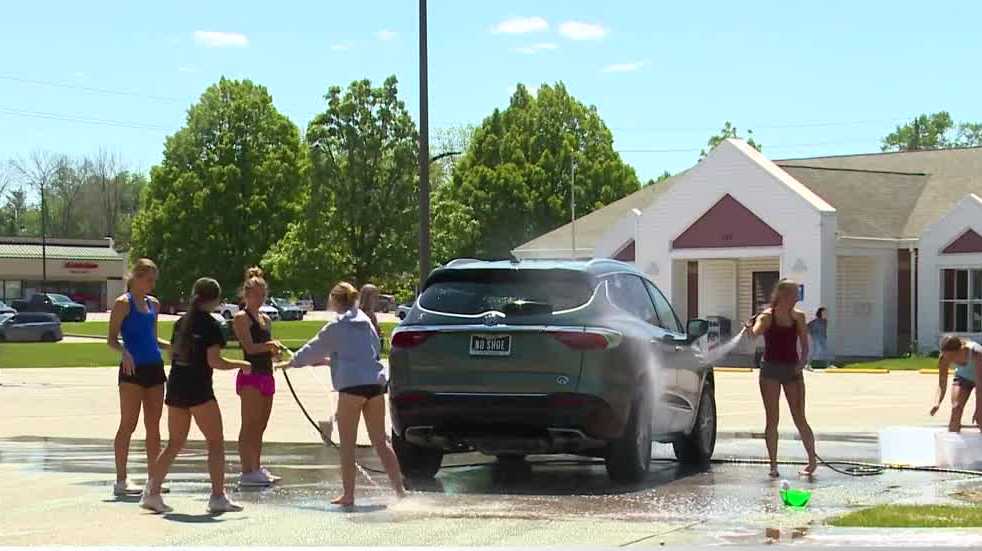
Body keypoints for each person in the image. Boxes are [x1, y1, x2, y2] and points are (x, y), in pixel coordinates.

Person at [278, 282, 404, 507]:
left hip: (351, 389)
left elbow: (313, 348)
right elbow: (368, 351)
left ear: (336, 300)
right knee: (380, 442)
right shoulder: (365, 322)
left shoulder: (335, 325)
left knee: (347, 444)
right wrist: (333, 361)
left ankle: (349, 495)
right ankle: (400, 491)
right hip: (374, 385)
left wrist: (291, 363)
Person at [140, 277, 252, 514]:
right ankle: (218, 496)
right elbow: (215, 361)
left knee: (174, 443)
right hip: (199, 388)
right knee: (215, 441)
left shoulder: (181, 322)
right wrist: (241, 364)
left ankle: (152, 491)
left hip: (177, 386)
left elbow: (173, 355)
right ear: (215, 299)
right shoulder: (212, 325)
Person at [107, 258, 170, 497]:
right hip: (132, 370)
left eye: (154, 280)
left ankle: (154, 478)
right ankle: (121, 479)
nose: (152, 285)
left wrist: (173, 346)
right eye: (148, 279)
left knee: (153, 426)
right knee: (128, 424)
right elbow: (111, 340)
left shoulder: (154, 304)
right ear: (136, 277)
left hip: (154, 367)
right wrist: (124, 353)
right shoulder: (123, 303)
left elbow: (154, 338)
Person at [744, 279, 817, 478]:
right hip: (770, 370)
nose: (797, 298)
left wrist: (801, 363)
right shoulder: (767, 317)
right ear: (783, 295)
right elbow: (755, 333)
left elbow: (804, 345)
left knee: (799, 417)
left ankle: (812, 461)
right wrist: (750, 328)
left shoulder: (798, 317)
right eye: (794, 294)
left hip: (792, 370)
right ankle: (773, 465)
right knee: (772, 419)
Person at [232, 267, 283, 486]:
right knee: (249, 424)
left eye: (263, 295)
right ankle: (246, 470)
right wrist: (268, 346)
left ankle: (257, 466)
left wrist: (274, 351)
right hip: (250, 375)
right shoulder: (241, 318)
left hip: (266, 374)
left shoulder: (265, 319)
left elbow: (263, 348)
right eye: (256, 295)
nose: (260, 299)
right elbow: (250, 348)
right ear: (246, 295)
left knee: (261, 425)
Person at [930, 335, 982, 433]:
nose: (950, 360)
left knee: (981, 418)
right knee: (956, 408)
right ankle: (953, 444)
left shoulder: (976, 353)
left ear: (960, 349)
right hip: (963, 377)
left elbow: (980, 385)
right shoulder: (944, 358)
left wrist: (979, 409)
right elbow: (942, 383)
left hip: (980, 379)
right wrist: (937, 402)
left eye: (952, 357)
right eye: (946, 356)